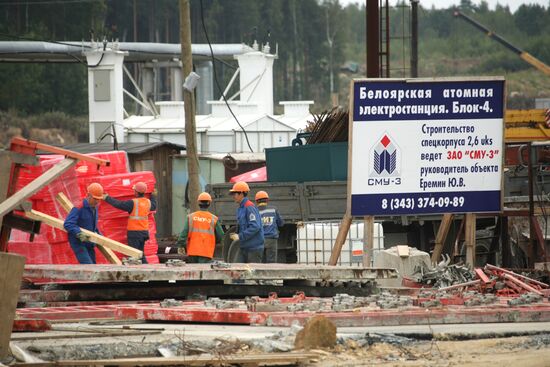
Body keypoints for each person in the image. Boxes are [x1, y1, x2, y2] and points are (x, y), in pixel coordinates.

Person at [102, 181, 156, 264]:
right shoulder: (148, 202)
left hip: (134, 233)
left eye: (134, 190)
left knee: (134, 255)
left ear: (136, 192)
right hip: (144, 232)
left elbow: (119, 204)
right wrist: (153, 195)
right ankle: (147, 270)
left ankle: (143, 272)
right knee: (140, 254)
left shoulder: (133, 203)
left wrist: (106, 198)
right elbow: (154, 205)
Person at [175, 192, 224, 263]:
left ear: (198, 203)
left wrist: (180, 245)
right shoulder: (213, 219)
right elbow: (221, 236)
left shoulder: (191, 217)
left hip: (192, 252)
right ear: (209, 203)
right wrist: (212, 241)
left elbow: (184, 234)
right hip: (206, 252)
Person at [64, 183, 104, 264]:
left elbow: (93, 225)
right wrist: (79, 233)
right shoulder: (79, 207)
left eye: (99, 199)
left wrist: (99, 235)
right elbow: (68, 224)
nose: (97, 201)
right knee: (89, 266)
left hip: (89, 242)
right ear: (88, 195)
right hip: (79, 242)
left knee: (94, 266)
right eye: (95, 199)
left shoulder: (94, 208)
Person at [229, 181, 264, 263]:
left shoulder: (249, 207)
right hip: (244, 247)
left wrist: (240, 236)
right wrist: (236, 234)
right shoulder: (241, 208)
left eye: (235, 194)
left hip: (254, 248)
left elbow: (255, 226)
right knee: (238, 270)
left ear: (241, 193)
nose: (233, 196)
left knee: (252, 274)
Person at [255, 191, 284, 263]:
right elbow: (281, 223)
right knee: (271, 262)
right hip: (272, 239)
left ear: (256, 201)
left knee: (259, 261)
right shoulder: (273, 209)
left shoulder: (254, 211)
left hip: (259, 240)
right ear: (267, 200)